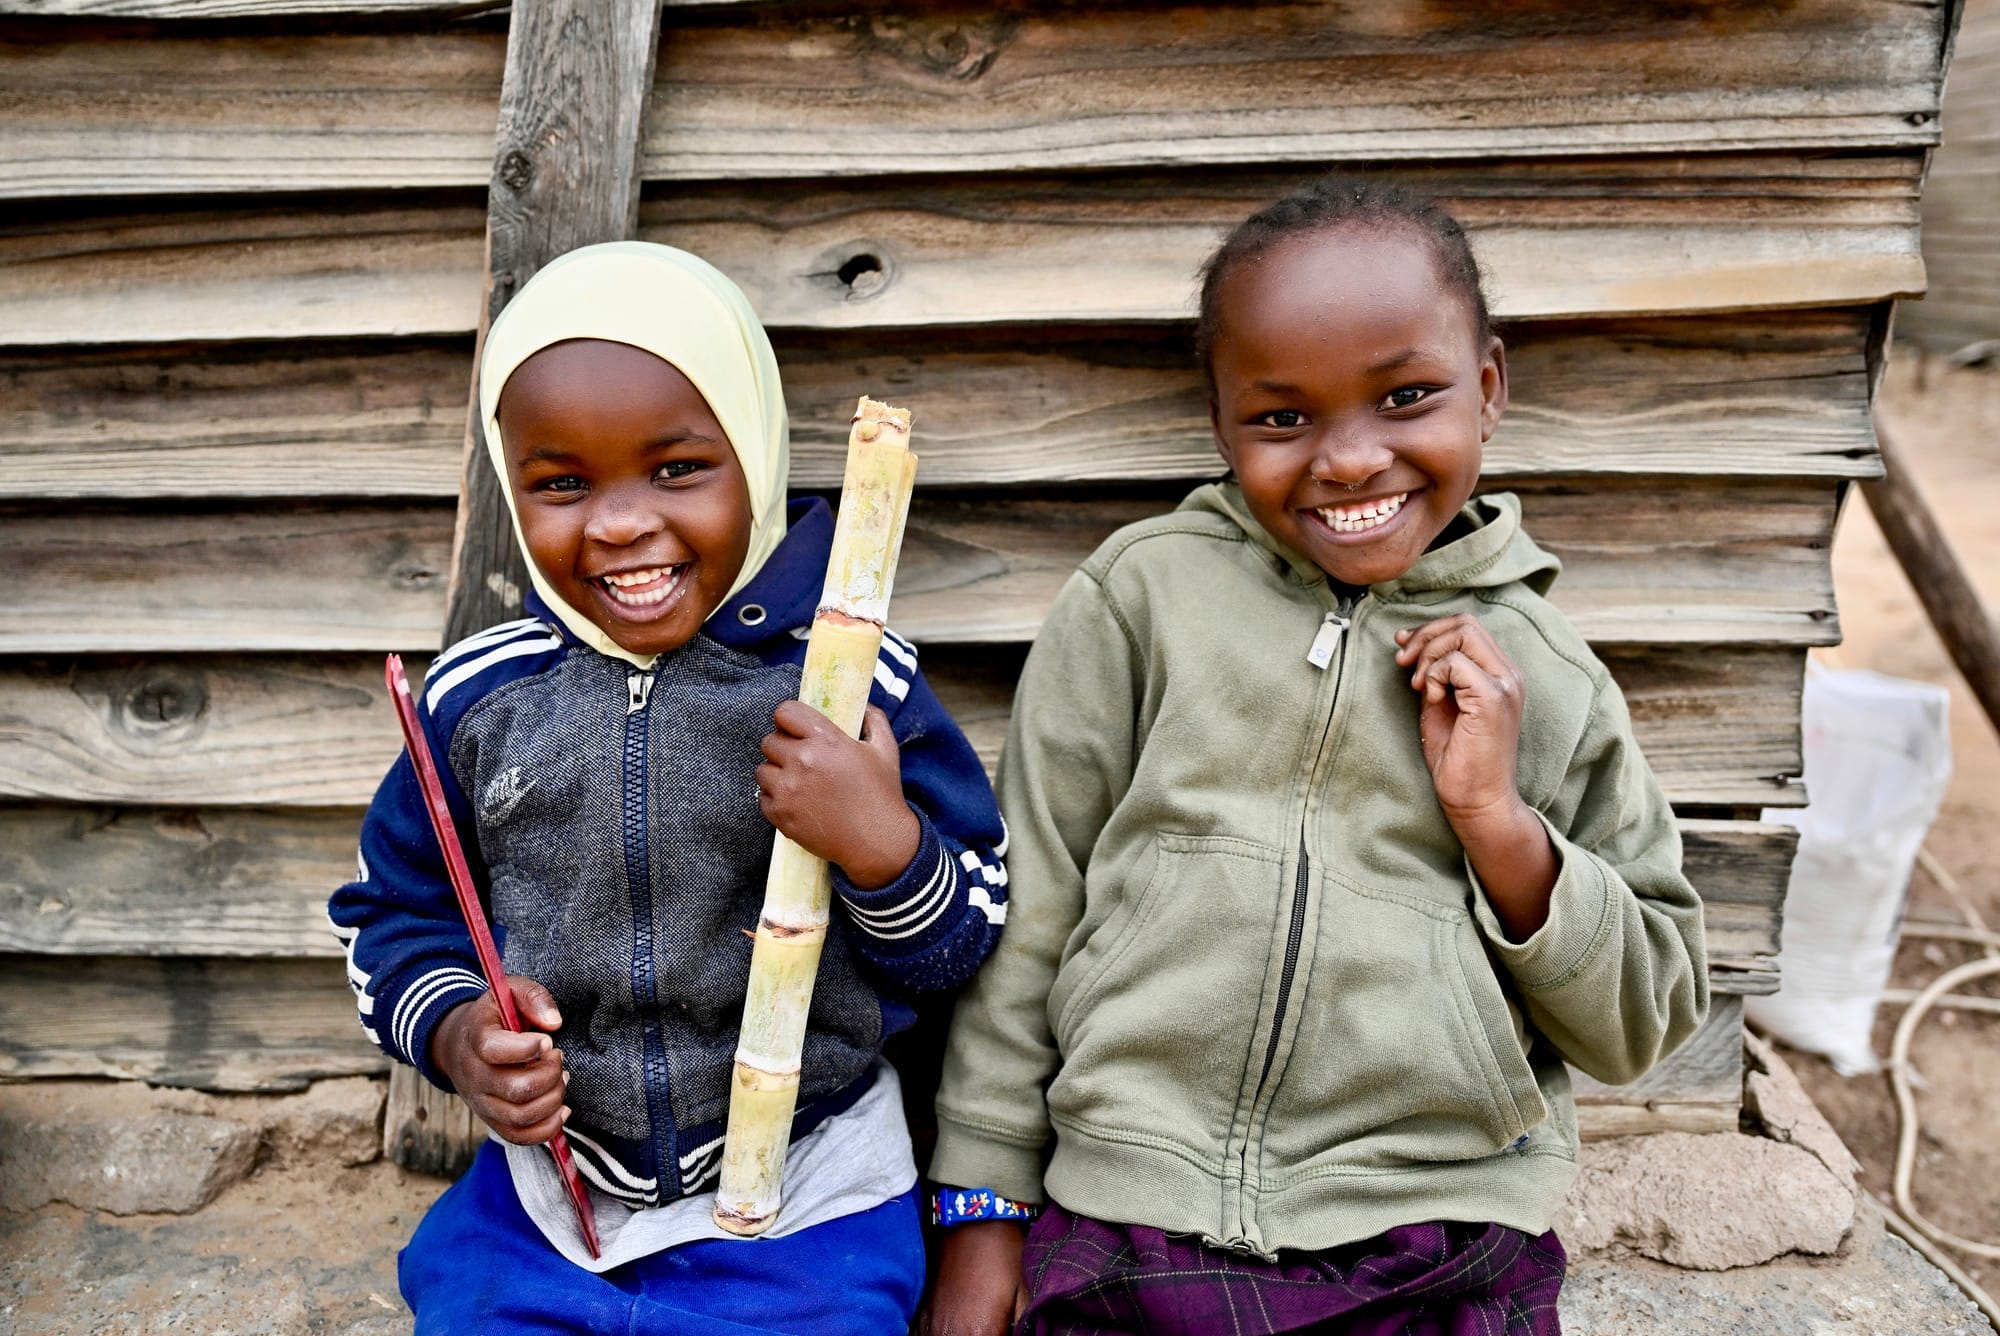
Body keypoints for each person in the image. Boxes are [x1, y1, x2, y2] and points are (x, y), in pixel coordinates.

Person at [921, 177, 1710, 1335]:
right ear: (1220, 422)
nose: (1347, 460)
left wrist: (1496, 822)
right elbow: (1033, 909)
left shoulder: (1542, 675)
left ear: (1485, 388)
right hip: (1130, 1205)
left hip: (1435, 1228)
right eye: (1282, 417)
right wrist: (983, 1215)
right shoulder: (1140, 600)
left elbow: (1640, 1017)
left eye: (1404, 396)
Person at [326, 242, 1009, 1334]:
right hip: (554, 1198)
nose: (617, 523)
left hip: (811, 1195)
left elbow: (968, 937)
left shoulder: (851, 683)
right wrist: (456, 1032)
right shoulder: (477, 699)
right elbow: (391, 917)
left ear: (756, 450)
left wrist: (881, 842)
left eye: (677, 468)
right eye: (561, 483)